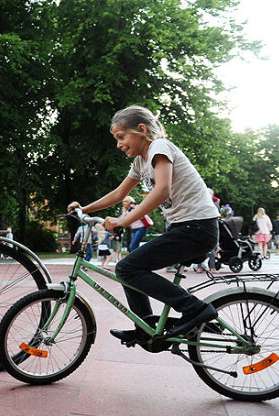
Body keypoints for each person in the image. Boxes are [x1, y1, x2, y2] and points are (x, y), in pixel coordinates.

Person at [67, 105, 219, 342]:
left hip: (198, 227)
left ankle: (195, 309)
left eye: (121, 137)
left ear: (141, 130)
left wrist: (124, 220)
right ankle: (146, 327)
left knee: (127, 268)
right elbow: (118, 194)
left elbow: (162, 190)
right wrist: (83, 209)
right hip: (185, 228)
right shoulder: (140, 161)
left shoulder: (160, 147)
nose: (118, 144)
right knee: (129, 268)